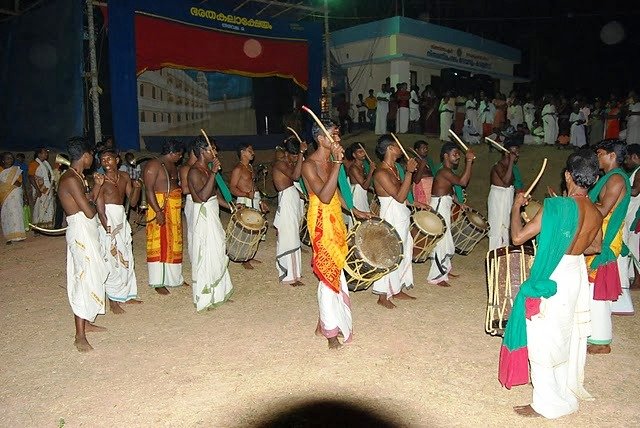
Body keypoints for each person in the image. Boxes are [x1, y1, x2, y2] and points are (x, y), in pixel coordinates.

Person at [500, 149, 603, 419]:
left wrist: (515, 207)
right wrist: (569, 237)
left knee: (543, 337)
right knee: (563, 335)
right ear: (593, 178)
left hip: (554, 275)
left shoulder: (555, 207)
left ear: (568, 175)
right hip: (574, 274)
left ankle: (547, 404)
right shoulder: (595, 211)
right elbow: (596, 246)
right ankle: (563, 394)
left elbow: (518, 237)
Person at [301, 119, 352, 349]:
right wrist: (338, 164)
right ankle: (330, 333)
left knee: (336, 266)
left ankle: (324, 322)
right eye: (334, 135)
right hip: (320, 220)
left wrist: (354, 210)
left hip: (335, 218)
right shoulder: (308, 165)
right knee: (327, 270)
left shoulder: (330, 161)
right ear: (321, 139)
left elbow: (335, 193)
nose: (338, 139)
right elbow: (323, 195)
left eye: (338, 134)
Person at [57, 137, 109, 352]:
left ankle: (86, 322)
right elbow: (88, 211)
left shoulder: (78, 176)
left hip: (86, 228)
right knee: (83, 276)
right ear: (85, 155)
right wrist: (93, 199)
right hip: (80, 229)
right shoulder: (70, 179)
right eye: (91, 156)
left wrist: (96, 188)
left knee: (92, 272)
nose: (93, 160)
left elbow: (89, 201)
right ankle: (79, 335)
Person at [586, 139, 630, 354]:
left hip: (605, 238)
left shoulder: (615, 180)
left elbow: (602, 210)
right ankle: (591, 333)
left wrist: (576, 203)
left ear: (612, 155)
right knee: (590, 287)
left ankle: (601, 341)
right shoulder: (608, 178)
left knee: (597, 289)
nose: (597, 157)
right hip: (597, 234)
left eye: (600, 153)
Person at [187, 138, 234, 311]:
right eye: (211, 150)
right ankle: (205, 298)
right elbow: (202, 197)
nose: (215, 154)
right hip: (204, 216)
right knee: (206, 254)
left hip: (213, 213)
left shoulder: (205, 170)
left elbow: (214, 194)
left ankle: (219, 293)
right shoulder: (194, 172)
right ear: (201, 151)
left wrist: (231, 205)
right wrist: (214, 173)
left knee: (218, 251)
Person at [371, 135, 418, 308]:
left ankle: (396, 288)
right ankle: (382, 295)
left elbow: (402, 193)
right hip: (391, 215)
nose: (401, 147)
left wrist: (413, 202)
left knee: (404, 250)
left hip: (401, 214)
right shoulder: (381, 172)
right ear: (390, 149)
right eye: (397, 145)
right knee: (389, 253)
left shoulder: (395, 168)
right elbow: (398, 197)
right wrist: (409, 173)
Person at [95, 148, 142, 313]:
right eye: (103, 159)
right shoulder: (100, 180)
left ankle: (127, 295)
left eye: (109, 158)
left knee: (126, 256)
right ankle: (113, 300)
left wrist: (137, 187)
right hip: (108, 221)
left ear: (117, 160)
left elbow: (134, 202)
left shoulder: (124, 177)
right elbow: (100, 208)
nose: (106, 162)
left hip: (121, 218)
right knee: (111, 258)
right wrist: (106, 227)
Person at [428, 143, 475, 286]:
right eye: (455, 154)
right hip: (439, 207)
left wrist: (458, 202)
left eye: (459, 155)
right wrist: (468, 161)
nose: (458, 157)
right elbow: (462, 182)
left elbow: (448, 190)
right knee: (440, 241)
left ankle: (444, 269)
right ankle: (435, 276)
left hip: (444, 204)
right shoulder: (444, 172)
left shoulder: (446, 172)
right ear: (445, 156)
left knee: (446, 238)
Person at [142, 139, 186, 295]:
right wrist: (158, 212)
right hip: (160, 207)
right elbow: (148, 190)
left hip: (173, 209)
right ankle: (157, 281)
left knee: (174, 242)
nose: (180, 157)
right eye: (179, 155)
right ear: (172, 153)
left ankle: (174, 278)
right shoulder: (153, 165)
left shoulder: (172, 165)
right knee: (159, 243)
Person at [272, 137, 307, 286]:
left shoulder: (288, 163)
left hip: (292, 199)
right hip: (286, 202)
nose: (295, 158)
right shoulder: (280, 164)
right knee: (289, 236)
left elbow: (293, 184)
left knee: (294, 234)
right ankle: (289, 275)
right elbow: (295, 176)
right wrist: (300, 154)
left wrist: (303, 196)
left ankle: (296, 272)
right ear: (286, 153)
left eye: (296, 155)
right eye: (293, 155)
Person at [230, 142, 269, 269]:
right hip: (244, 199)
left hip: (253, 198)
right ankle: (244, 259)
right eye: (249, 151)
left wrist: (260, 200)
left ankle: (250, 255)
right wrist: (246, 195)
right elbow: (232, 188)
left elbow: (254, 185)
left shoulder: (250, 167)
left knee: (255, 228)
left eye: (252, 150)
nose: (253, 153)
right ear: (242, 152)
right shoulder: (238, 169)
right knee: (246, 229)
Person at [487, 140, 523, 250]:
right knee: (496, 226)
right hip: (498, 198)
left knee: (507, 224)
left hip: (506, 198)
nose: (517, 154)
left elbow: (513, 184)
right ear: (507, 153)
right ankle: (494, 253)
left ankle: (504, 252)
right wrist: (511, 162)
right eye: (514, 152)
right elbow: (506, 182)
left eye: (518, 152)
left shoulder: (511, 168)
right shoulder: (498, 166)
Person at [623, 144, 640, 291]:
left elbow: (635, 191)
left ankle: (638, 282)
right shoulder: (636, 171)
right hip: (633, 211)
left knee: (635, 248)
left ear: (635, 156)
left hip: (636, 214)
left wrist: (619, 187)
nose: (625, 161)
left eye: (627, 157)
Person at [0, 152, 26, 243]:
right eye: (7, 158)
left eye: (11, 158)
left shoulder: (16, 170)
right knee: (6, 215)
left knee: (17, 213)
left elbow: (19, 183)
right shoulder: (0, 170)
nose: (9, 160)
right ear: (3, 160)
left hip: (15, 194)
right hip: (5, 196)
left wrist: (12, 183)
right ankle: (9, 237)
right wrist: (8, 184)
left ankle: (19, 236)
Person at [179, 141, 198, 265]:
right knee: (193, 233)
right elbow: (185, 189)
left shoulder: (201, 166)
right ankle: (195, 261)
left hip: (202, 200)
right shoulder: (186, 168)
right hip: (192, 201)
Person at [346, 142, 375, 219]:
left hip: (361, 194)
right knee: (361, 217)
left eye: (363, 151)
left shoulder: (362, 165)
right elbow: (364, 185)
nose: (363, 154)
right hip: (357, 196)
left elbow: (364, 182)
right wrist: (371, 171)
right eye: (360, 152)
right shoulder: (354, 168)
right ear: (354, 155)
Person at [29, 147, 55, 229]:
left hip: (48, 188)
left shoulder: (46, 164)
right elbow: (31, 177)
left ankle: (46, 226)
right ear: (39, 154)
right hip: (40, 189)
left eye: (47, 152)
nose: (47, 154)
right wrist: (38, 190)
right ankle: (37, 227)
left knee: (48, 207)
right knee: (39, 207)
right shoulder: (34, 163)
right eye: (45, 152)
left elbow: (50, 177)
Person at [411, 140, 434, 207]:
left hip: (430, 190)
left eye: (426, 148)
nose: (426, 150)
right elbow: (416, 180)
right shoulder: (414, 162)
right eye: (423, 148)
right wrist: (421, 166)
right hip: (421, 190)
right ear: (416, 150)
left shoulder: (428, 161)